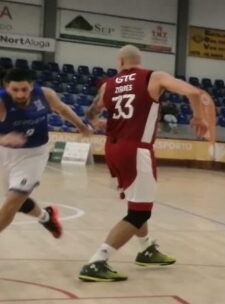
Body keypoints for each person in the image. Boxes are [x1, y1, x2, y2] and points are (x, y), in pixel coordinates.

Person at [79, 45, 215, 282]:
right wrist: (198, 116)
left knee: (135, 202)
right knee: (140, 212)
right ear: (139, 61)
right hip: (136, 149)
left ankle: (146, 249)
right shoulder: (154, 77)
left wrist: (99, 124)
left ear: (120, 61)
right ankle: (97, 261)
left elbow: (91, 113)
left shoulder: (107, 85)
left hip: (113, 147)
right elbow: (193, 92)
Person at [0, 69, 92, 240]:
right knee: (17, 203)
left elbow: (62, 109)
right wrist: (3, 138)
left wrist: (81, 126)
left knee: (12, 202)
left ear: (31, 86)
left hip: (34, 154)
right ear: (7, 87)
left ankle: (46, 217)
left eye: (24, 89)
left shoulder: (45, 95)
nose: (20, 94)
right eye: (15, 90)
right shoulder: (1, 102)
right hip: (4, 153)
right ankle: (46, 217)